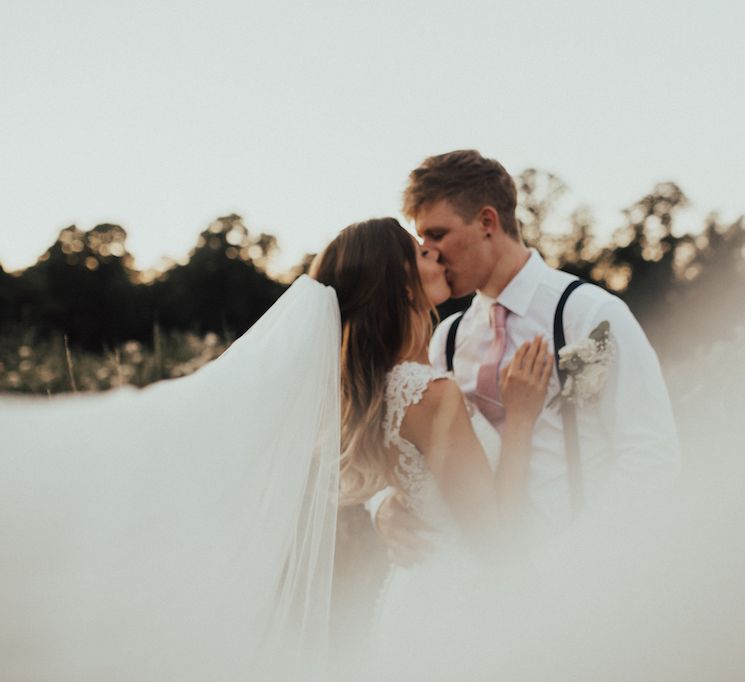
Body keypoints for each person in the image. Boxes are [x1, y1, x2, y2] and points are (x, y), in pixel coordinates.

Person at [368, 149, 681, 564]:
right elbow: (403, 440)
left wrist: (576, 560)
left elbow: (650, 456)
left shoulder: (589, 314)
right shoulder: (447, 337)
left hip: (580, 575)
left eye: (437, 234)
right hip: (487, 576)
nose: (430, 253)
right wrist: (381, 508)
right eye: (422, 239)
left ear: (486, 222)